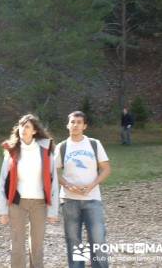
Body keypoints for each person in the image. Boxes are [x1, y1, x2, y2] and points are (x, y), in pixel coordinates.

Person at [0, 114, 59, 268]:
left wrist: (53, 211)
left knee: (37, 247)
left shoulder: (45, 151)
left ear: (34, 131)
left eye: (27, 126)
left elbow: (54, 182)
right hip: (17, 203)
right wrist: (3, 211)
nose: (23, 129)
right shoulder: (11, 151)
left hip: (39, 204)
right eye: (21, 126)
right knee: (17, 245)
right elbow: (2, 182)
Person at [55, 111, 111, 268]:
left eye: (79, 122)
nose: (75, 125)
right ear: (68, 125)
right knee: (74, 241)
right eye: (72, 122)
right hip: (69, 200)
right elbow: (52, 172)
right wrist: (67, 184)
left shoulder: (94, 144)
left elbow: (106, 169)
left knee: (98, 239)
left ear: (84, 126)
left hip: (92, 199)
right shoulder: (62, 147)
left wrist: (93, 184)